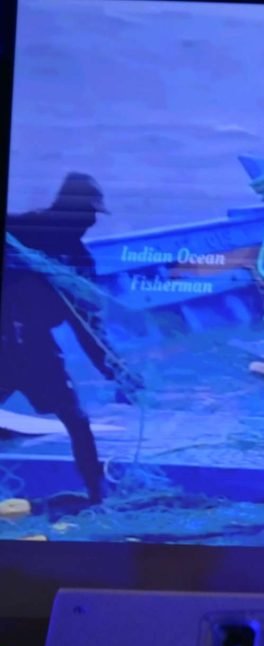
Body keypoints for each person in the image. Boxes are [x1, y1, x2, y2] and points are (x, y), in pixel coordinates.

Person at [2, 173, 139, 504]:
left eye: (96, 213)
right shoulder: (25, 229)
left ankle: (97, 496)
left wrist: (115, 371)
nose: (92, 221)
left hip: (37, 348)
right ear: (69, 208)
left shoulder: (80, 261)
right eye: (89, 212)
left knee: (77, 421)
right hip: (4, 342)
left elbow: (88, 327)